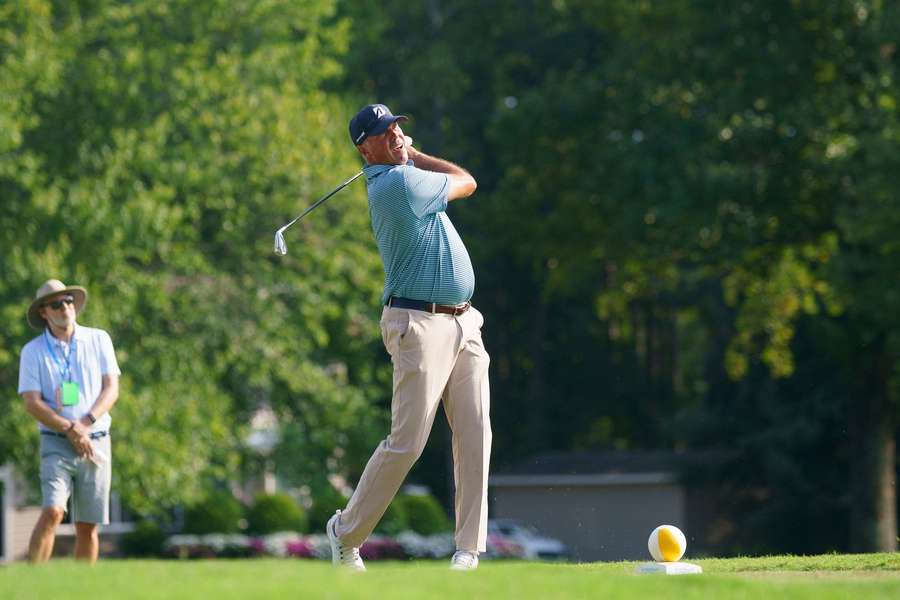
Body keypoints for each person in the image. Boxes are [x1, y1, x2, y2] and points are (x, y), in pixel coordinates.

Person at [327, 104, 491, 571]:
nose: (397, 135)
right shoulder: (397, 184)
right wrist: (415, 157)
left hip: (465, 322)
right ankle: (344, 533)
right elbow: (467, 180)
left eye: (398, 127)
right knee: (408, 441)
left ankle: (468, 551)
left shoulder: (401, 174)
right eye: (385, 132)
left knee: (477, 431)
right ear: (365, 148)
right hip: (417, 324)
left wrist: (407, 154)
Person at [17, 279, 120, 564]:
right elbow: (32, 403)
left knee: (87, 526)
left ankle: (82, 589)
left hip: (96, 441)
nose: (65, 307)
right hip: (56, 442)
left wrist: (84, 424)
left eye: (68, 301)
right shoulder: (33, 352)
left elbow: (111, 389)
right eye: (56, 304)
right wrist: (69, 429)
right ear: (43, 313)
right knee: (53, 511)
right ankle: (33, 582)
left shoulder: (99, 339)